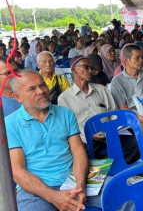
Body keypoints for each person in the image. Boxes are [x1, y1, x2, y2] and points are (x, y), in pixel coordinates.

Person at [6, 69, 89, 211]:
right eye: (32, 88)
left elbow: (78, 152)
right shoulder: (10, 124)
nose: (41, 91)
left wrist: (79, 186)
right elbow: (18, 171)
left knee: (126, 193)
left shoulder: (65, 114)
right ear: (17, 97)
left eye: (43, 85)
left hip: (72, 180)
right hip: (36, 190)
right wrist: (54, 197)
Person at [58, 55, 140, 164]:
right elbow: (69, 126)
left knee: (134, 139)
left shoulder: (101, 90)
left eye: (91, 68)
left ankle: (123, 170)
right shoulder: (64, 98)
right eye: (85, 67)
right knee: (83, 157)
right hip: (84, 137)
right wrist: (90, 134)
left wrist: (111, 129)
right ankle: (99, 174)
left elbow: (114, 113)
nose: (90, 71)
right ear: (73, 69)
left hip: (109, 131)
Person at [110, 44, 143, 161]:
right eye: (137, 57)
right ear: (126, 60)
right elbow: (123, 108)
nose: (141, 60)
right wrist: (141, 118)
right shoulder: (118, 81)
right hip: (132, 117)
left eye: (142, 57)